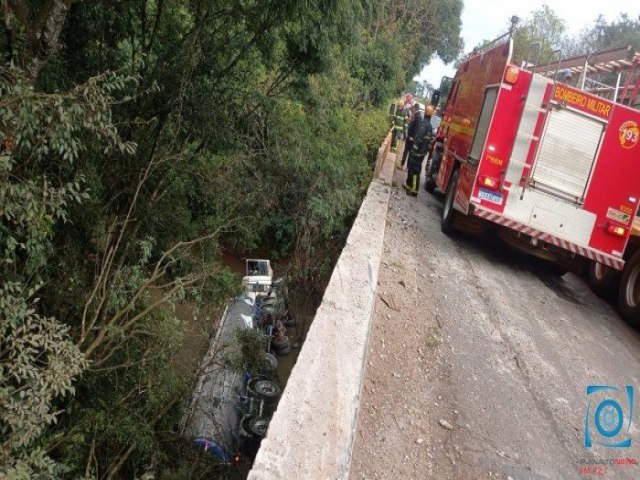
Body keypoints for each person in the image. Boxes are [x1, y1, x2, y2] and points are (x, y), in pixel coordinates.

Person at [403, 105, 435, 196]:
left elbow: (419, 139)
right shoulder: (430, 126)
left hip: (417, 153)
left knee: (414, 171)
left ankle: (414, 190)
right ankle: (409, 186)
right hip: (422, 153)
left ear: (425, 113)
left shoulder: (424, 125)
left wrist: (413, 149)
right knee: (414, 170)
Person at [400, 103, 424, 170]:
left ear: (415, 108)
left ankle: (407, 167)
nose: (412, 109)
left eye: (413, 108)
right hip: (409, 136)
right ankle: (402, 165)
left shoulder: (418, 117)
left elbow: (417, 128)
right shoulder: (415, 115)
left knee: (410, 153)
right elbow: (410, 123)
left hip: (412, 138)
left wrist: (413, 137)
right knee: (405, 151)